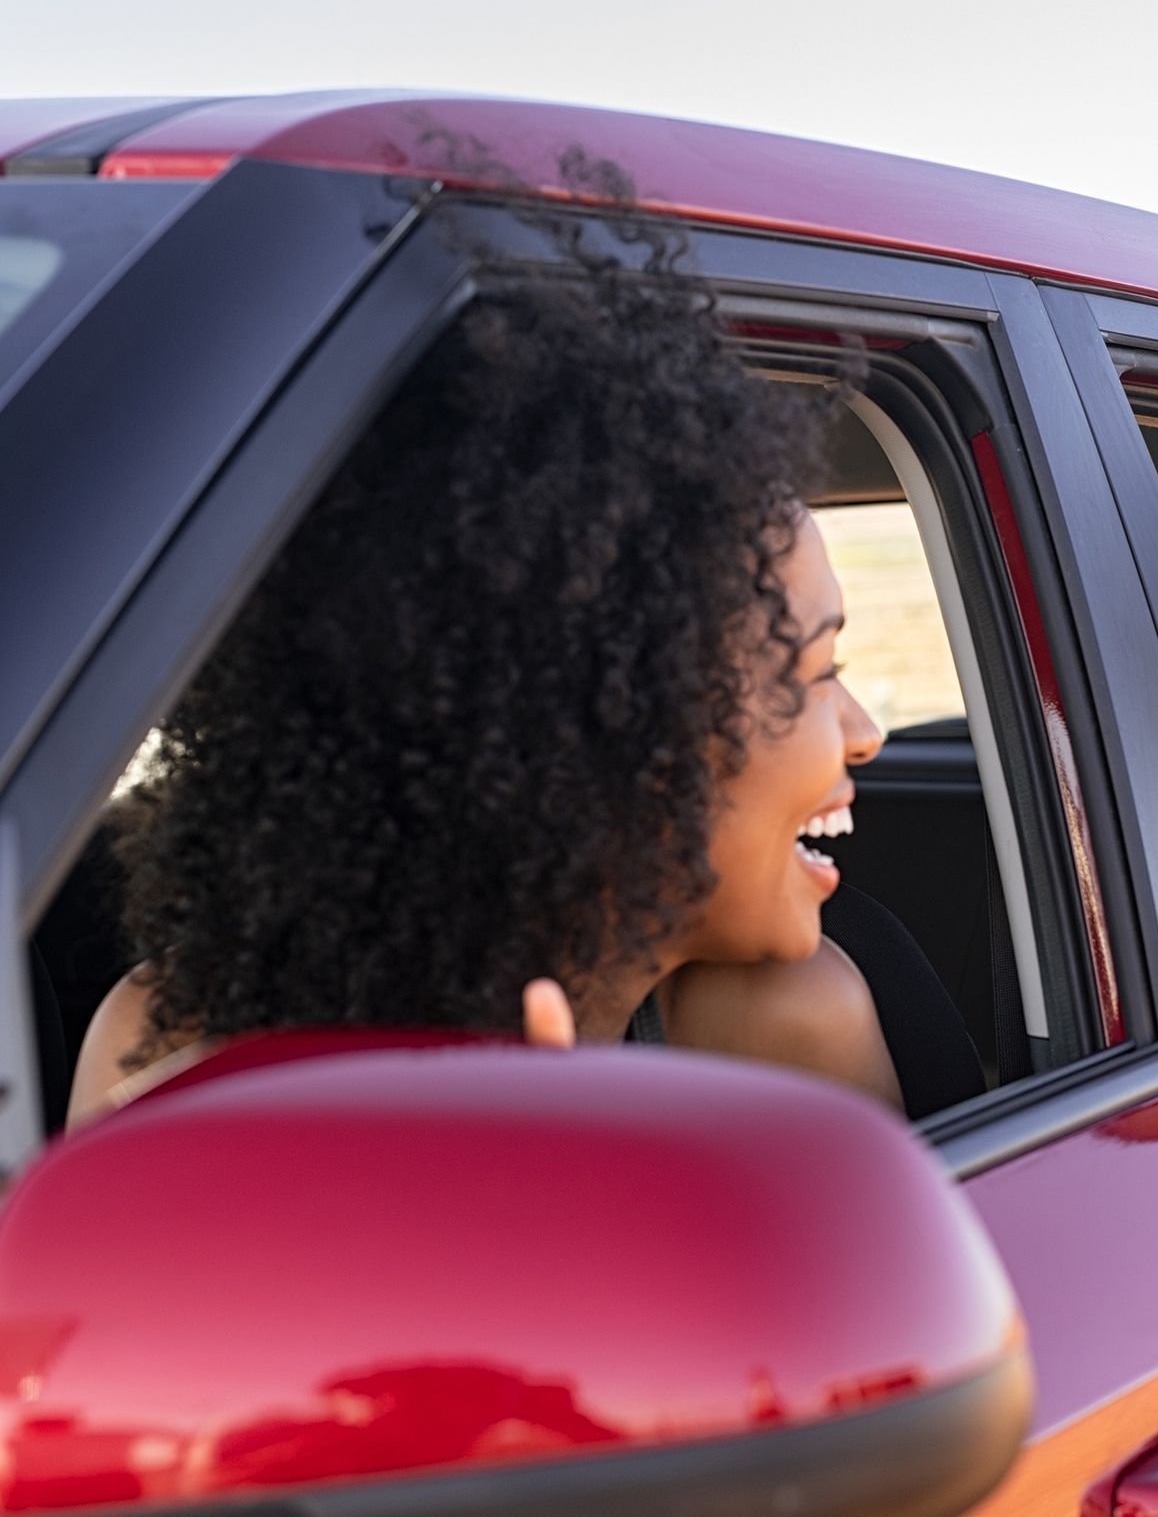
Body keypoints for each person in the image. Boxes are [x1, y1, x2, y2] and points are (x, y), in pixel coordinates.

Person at [68, 225, 963, 1124]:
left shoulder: (787, 1029)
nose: (864, 730)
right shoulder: (172, 1050)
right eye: (816, 671)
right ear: (606, 734)